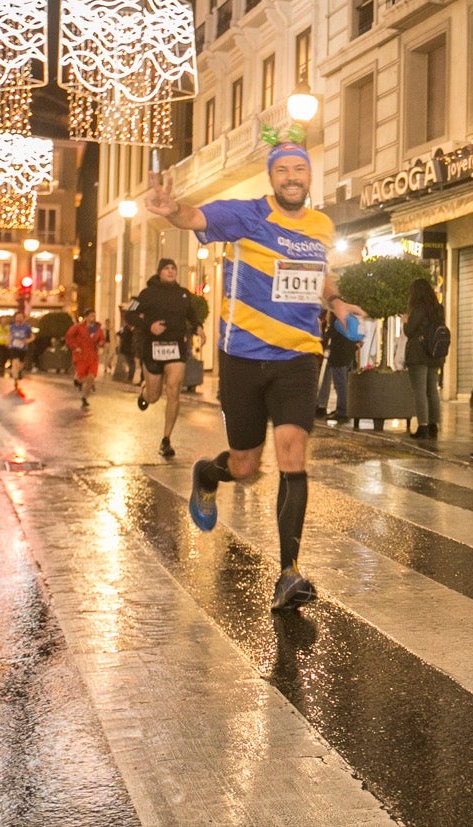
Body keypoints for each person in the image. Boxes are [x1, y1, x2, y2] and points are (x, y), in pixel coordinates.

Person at [147, 137, 365, 613]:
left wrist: (336, 301)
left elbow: (318, 273)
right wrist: (170, 210)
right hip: (243, 357)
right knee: (245, 467)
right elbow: (195, 217)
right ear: (272, 177)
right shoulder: (246, 215)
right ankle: (207, 473)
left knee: (292, 454)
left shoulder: (322, 226)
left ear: (309, 177)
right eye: (283, 170)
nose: (292, 177)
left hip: (298, 358)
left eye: (299, 170)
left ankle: (289, 573)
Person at [128, 258, 199, 460]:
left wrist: (198, 326)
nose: (170, 271)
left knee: (174, 389)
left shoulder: (183, 294)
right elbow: (130, 314)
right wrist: (149, 325)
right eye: (166, 268)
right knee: (154, 396)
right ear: (159, 272)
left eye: (173, 268)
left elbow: (192, 314)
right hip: (153, 348)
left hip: (176, 346)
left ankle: (166, 439)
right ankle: (144, 393)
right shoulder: (147, 294)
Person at [403, 278, 444, 438]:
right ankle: (433, 425)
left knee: (419, 390)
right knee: (432, 390)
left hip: (418, 354)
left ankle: (423, 426)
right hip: (434, 354)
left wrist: (405, 322)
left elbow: (409, 331)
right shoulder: (438, 308)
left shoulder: (418, 308)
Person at [315, 307, 357, 422]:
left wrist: (326, 330)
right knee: (342, 382)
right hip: (346, 353)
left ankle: (342, 411)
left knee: (340, 383)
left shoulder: (335, 313)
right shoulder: (347, 313)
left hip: (339, 354)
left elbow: (332, 332)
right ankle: (342, 409)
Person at [65, 309, 108, 409]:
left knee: (91, 377)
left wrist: (101, 343)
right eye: (92, 316)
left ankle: (84, 398)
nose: (94, 317)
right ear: (86, 317)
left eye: (94, 315)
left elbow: (101, 339)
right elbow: (69, 337)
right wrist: (75, 347)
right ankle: (78, 381)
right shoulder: (78, 327)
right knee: (82, 378)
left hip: (92, 356)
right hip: (81, 356)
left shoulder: (98, 328)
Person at [3, 311, 34, 395]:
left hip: (23, 348)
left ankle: (19, 372)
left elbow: (32, 336)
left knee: (20, 364)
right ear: (15, 318)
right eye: (17, 316)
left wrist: (28, 340)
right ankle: (15, 379)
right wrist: (7, 341)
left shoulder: (27, 327)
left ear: (23, 318)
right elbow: (10, 335)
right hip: (14, 347)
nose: (19, 318)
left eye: (21, 316)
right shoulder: (12, 327)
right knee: (14, 362)